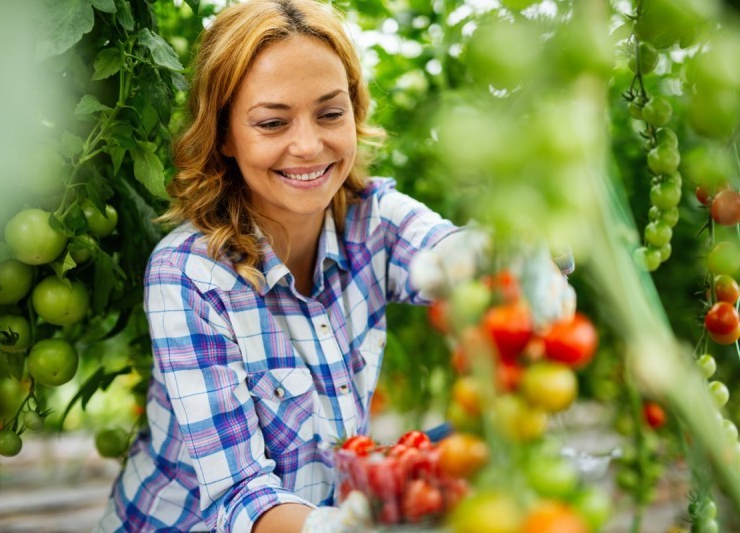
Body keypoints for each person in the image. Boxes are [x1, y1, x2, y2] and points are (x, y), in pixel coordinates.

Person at [96, 0, 574, 531]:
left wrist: (511, 259)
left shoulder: (372, 219)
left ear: (354, 110)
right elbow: (239, 495)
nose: (308, 145)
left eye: (330, 113)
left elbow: (447, 248)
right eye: (273, 122)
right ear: (225, 134)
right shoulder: (190, 275)